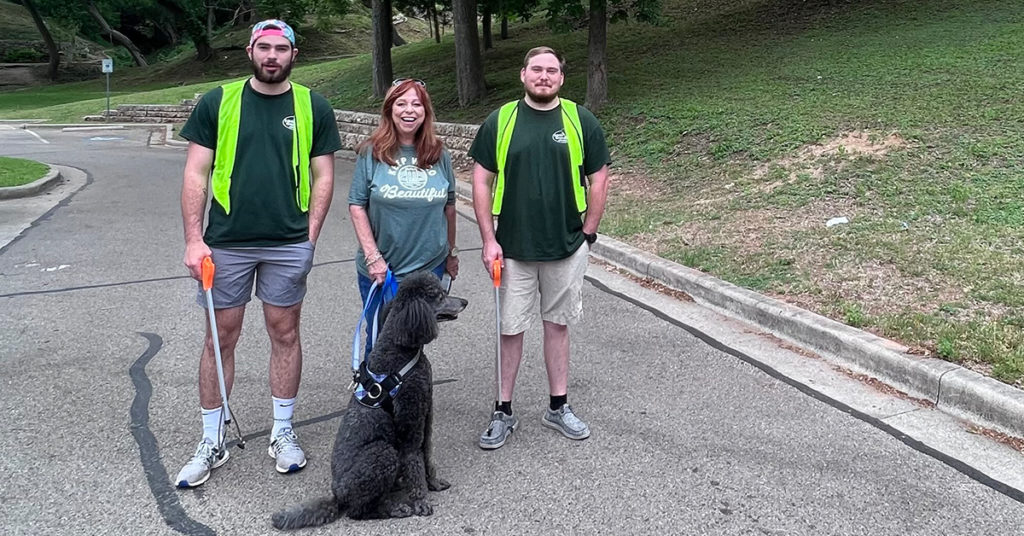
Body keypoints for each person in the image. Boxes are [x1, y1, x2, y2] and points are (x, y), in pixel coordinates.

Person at [175, 19, 342, 488]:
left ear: (294, 54)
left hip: (288, 243)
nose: (272, 56)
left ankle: (283, 432)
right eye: (264, 47)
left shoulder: (314, 105)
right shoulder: (219, 101)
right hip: (226, 242)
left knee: (284, 331)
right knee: (219, 336)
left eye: (281, 49)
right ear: (250, 50)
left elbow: (323, 176)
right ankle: (212, 439)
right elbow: (196, 174)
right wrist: (194, 238)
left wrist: (309, 237)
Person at [469, 46, 610, 450]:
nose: (544, 76)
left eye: (552, 70)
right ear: (523, 74)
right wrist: (488, 239)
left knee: (557, 325)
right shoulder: (501, 120)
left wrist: (588, 232)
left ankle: (558, 406)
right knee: (510, 328)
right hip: (511, 248)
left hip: (566, 246)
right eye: (537, 69)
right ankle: (503, 411)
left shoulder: (580, 120)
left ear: (561, 79)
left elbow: (599, 177)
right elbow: (481, 181)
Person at [348, 78, 459, 347]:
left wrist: (451, 254)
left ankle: (410, 387)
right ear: (390, 110)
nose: (409, 110)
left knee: (415, 336)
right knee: (380, 336)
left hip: (427, 267)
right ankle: (374, 386)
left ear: (426, 111)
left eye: (416, 104)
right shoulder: (371, 153)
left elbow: (450, 207)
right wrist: (373, 258)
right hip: (382, 268)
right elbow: (357, 206)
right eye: (401, 103)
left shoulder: (438, 153)